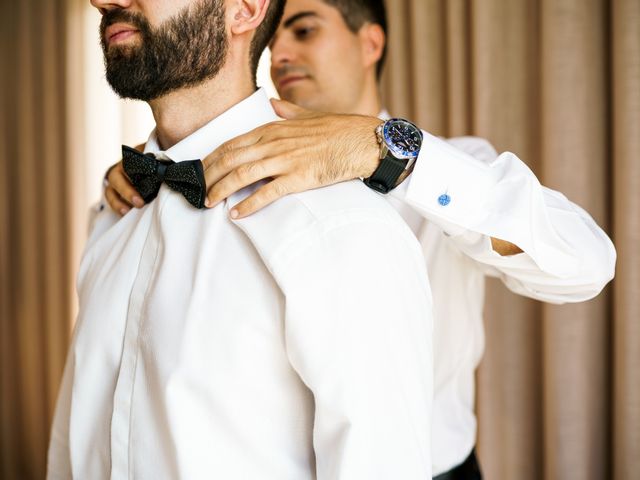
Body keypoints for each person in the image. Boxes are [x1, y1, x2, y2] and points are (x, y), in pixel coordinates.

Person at [99, 0, 617, 477]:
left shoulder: (454, 166)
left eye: (304, 30)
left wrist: (388, 155)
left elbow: (587, 264)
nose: (281, 54)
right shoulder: (205, 183)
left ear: (370, 44)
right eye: (275, 40)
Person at [47, 0, 437, 478]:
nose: (103, 0)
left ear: (244, 9)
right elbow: (73, 443)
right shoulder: (115, 210)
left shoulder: (341, 226)